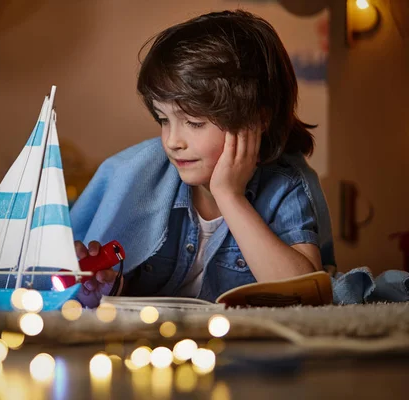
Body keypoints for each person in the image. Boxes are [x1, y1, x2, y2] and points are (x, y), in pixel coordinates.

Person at [71, 10, 335, 308]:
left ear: (257, 120)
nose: (172, 141)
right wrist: (111, 285)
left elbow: (306, 296)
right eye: (163, 120)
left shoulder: (284, 186)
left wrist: (230, 196)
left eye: (194, 123)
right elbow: (134, 287)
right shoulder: (143, 177)